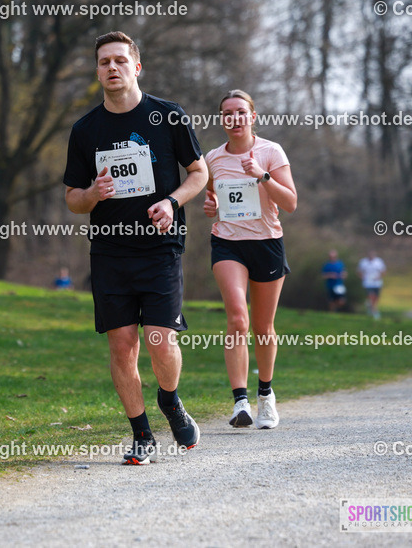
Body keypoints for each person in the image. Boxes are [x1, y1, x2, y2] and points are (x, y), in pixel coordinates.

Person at [63, 31, 208, 465]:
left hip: (160, 248)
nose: (112, 67)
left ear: (136, 66)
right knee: (122, 345)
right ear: (97, 71)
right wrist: (93, 193)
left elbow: (199, 173)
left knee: (161, 340)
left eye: (120, 60)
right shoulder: (85, 129)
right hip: (109, 252)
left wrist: (171, 201)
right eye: (104, 61)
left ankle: (170, 400)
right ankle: (141, 433)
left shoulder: (168, 116)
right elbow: (72, 199)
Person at [203, 90, 297, 430]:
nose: (234, 118)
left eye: (241, 112)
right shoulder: (213, 157)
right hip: (228, 243)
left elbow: (290, 203)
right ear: (222, 119)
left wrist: (262, 174)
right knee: (237, 319)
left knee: (263, 327)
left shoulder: (271, 152)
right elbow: (212, 197)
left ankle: (266, 396)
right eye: (227, 112)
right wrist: (211, 207)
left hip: (267, 243)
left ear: (252, 116)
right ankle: (239, 401)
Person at [357, 251, 386, 319]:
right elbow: (359, 271)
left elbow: (383, 271)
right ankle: (375, 312)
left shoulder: (379, 262)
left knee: (376, 298)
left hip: (377, 283)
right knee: (371, 296)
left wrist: (379, 277)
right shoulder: (363, 262)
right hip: (368, 283)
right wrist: (362, 278)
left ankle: (371, 307)